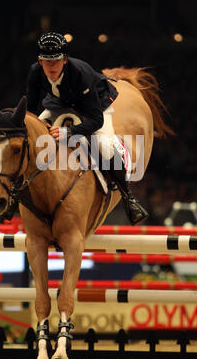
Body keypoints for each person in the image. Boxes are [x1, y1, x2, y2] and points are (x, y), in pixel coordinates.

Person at [26, 32, 148, 224]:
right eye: (46, 61)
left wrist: (68, 133)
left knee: (105, 146)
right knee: (29, 134)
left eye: (56, 61)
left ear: (65, 60)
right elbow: (30, 112)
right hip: (60, 103)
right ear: (40, 62)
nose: (51, 67)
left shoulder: (80, 73)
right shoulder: (35, 72)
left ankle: (129, 198)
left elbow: (95, 120)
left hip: (96, 107)